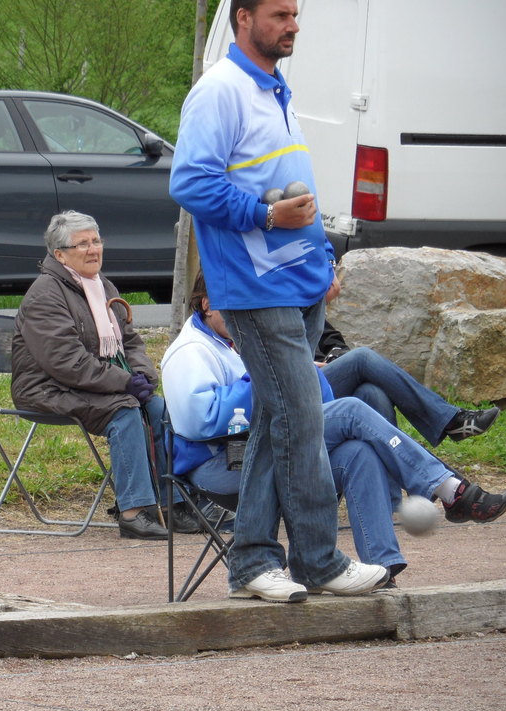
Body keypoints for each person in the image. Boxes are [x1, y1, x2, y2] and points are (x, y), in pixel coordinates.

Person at [169, 0, 388, 602]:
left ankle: (252, 563)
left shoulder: (275, 88)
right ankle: (317, 560)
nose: (292, 25)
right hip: (253, 286)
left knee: (273, 423)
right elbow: (188, 182)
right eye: (278, 15)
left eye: (295, 15)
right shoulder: (221, 90)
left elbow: (295, 188)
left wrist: (320, 263)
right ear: (242, 18)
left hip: (298, 282)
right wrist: (264, 214)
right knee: (301, 415)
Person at [161, 271, 506, 588]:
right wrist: (267, 381)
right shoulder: (190, 351)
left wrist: (292, 372)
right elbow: (198, 421)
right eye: (234, 307)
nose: (244, 314)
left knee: (359, 451)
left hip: (271, 447)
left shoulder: (239, 338)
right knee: (352, 410)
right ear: (206, 304)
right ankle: (450, 487)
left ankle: (383, 569)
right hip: (221, 466)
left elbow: (315, 398)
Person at [10, 210, 181, 540]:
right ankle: (133, 513)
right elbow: (66, 362)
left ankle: (170, 505)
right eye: (83, 244)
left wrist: (143, 376)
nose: (93, 249)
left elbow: (130, 341)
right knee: (124, 412)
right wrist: (124, 383)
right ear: (59, 255)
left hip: (95, 383)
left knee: (157, 409)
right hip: (47, 388)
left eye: (96, 240)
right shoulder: (45, 294)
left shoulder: (101, 285)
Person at [316, 324, 502, 444]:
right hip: (296, 392)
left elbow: (331, 339)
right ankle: (449, 423)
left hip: (322, 381)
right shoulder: (287, 300)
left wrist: (336, 357)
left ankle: (391, 497)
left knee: (372, 393)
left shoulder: (302, 300)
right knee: (362, 358)